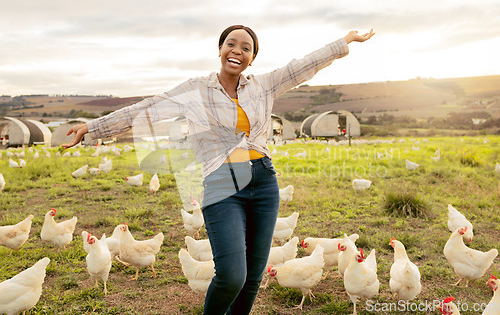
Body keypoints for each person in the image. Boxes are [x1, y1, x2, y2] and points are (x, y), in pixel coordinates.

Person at [63, 25, 374, 314]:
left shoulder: (263, 86)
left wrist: (344, 42)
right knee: (231, 275)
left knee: (253, 275)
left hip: (264, 182)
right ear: (221, 49)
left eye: (246, 47)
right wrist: (92, 127)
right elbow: (147, 109)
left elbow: (303, 66)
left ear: (252, 59)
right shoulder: (196, 90)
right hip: (223, 183)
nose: (237, 50)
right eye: (231, 44)